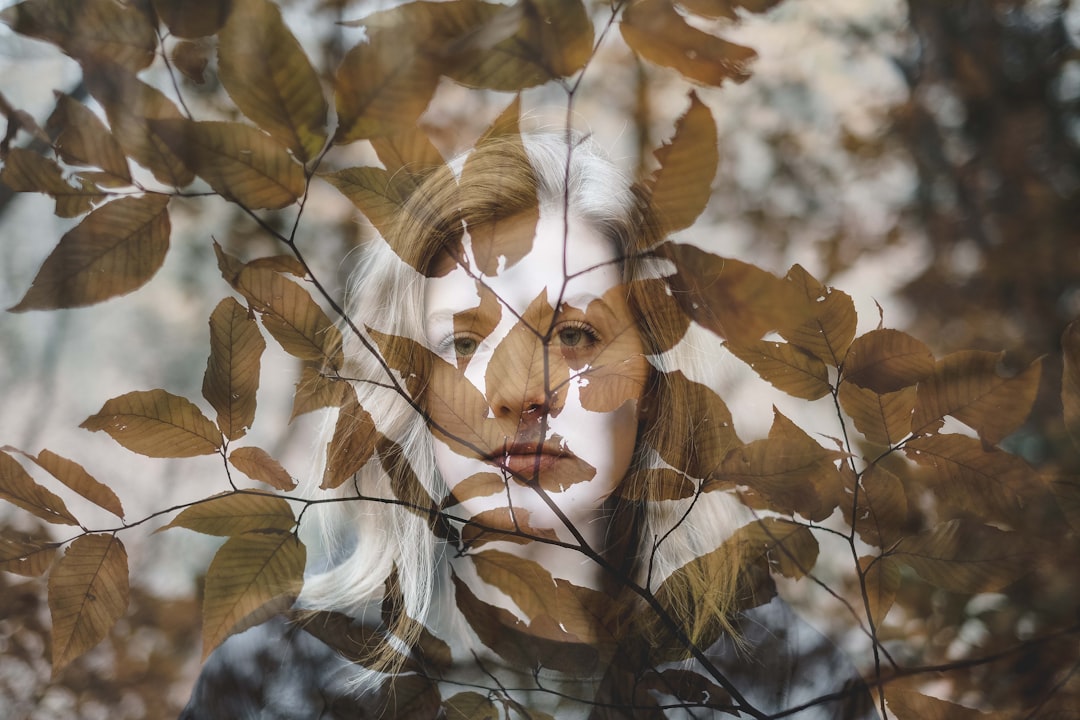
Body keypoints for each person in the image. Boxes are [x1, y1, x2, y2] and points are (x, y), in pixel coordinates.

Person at [181, 132, 876, 719]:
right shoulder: (275, 689)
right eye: (464, 343)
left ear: (655, 384)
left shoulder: (791, 689)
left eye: (574, 335)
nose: (520, 392)